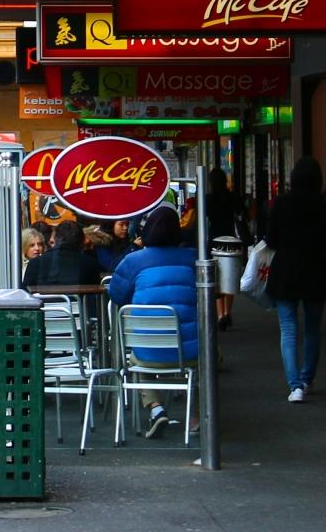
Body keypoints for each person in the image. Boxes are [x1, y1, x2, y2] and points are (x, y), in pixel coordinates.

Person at [105, 205, 199, 437]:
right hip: (189, 353)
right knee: (203, 362)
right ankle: (195, 416)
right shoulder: (193, 258)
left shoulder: (132, 261)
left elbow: (116, 295)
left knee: (138, 358)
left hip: (147, 352)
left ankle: (156, 409)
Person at [264, 156, 326, 403]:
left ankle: (294, 386)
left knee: (288, 328)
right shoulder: (323, 205)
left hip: (285, 271)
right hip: (314, 271)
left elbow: (271, 239)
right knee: (313, 328)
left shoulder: (281, 202)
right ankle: (307, 379)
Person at [205, 168, 249, 330]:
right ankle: (227, 312)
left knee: (217, 275)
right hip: (231, 238)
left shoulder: (208, 199)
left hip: (214, 238)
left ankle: (219, 314)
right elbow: (242, 211)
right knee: (230, 274)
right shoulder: (232, 197)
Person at [25, 218, 92, 289]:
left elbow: (25, 291)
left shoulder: (36, 263)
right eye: (32, 245)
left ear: (55, 239)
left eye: (40, 244)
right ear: (81, 242)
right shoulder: (89, 263)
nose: (37, 248)